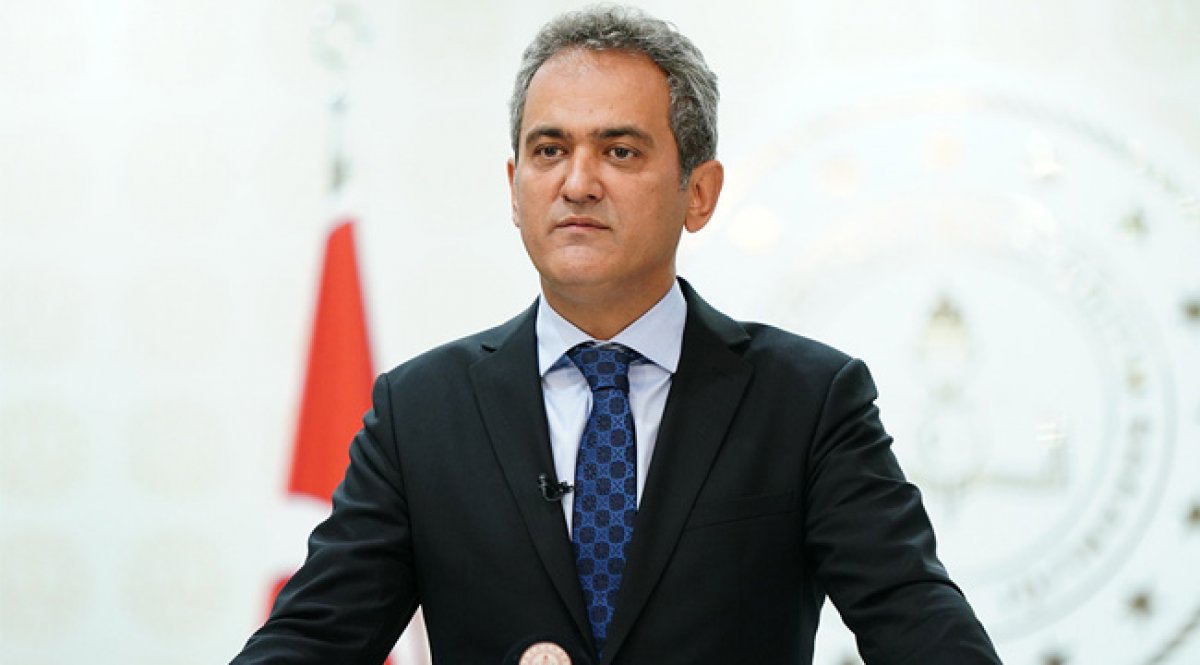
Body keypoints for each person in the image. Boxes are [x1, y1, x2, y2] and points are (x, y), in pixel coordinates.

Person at [232, 6, 1001, 664]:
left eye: (619, 150)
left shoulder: (808, 400)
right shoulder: (421, 412)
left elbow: (918, 622)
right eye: (549, 150)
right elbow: (309, 639)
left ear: (699, 192)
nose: (577, 182)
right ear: (514, 188)